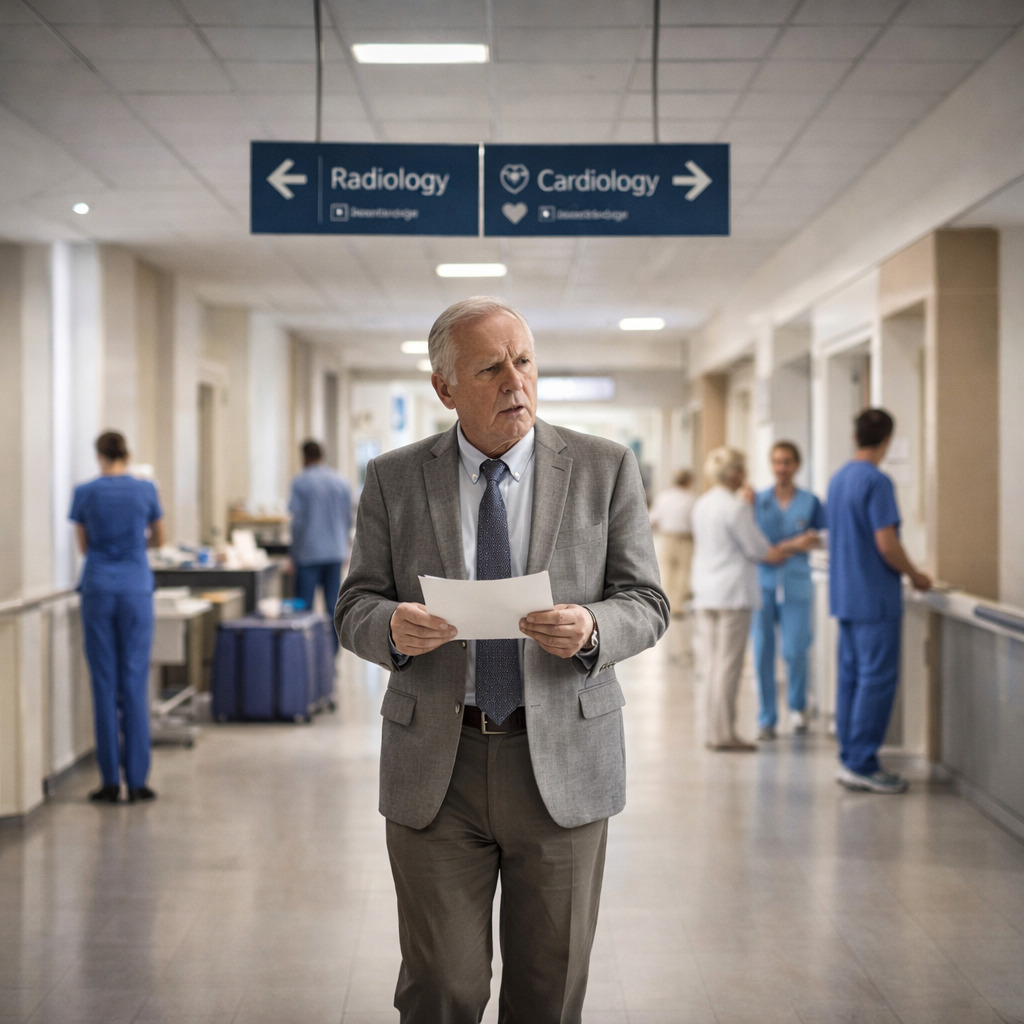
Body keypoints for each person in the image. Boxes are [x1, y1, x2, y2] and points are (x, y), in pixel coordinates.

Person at [335, 296, 669, 1024]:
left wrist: (590, 627)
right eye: (490, 368)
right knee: (441, 988)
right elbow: (353, 606)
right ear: (445, 388)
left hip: (562, 764)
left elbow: (646, 601)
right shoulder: (394, 479)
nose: (515, 381)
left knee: (547, 995)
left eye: (524, 360)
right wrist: (391, 627)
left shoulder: (603, 467)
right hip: (438, 766)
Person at [827, 408, 931, 794]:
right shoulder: (877, 481)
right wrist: (916, 575)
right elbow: (886, 544)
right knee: (876, 682)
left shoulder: (838, 480)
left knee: (852, 679)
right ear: (887, 440)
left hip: (846, 598)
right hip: (875, 599)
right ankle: (862, 763)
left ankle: (849, 758)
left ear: (855, 436)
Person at [691, 446, 817, 752]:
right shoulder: (736, 508)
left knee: (712, 666)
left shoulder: (703, 504)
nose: (746, 476)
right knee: (728, 667)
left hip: (706, 593)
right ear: (734, 473)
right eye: (743, 469)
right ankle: (725, 734)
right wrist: (798, 543)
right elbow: (765, 553)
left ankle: (712, 731)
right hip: (732, 595)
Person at [70, 431, 164, 804]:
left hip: (97, 589)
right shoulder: (146, 491)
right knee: (135, 681)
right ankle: (138, 781)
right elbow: (158, 538)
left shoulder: (85, 493)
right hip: (136, 588)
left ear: (99, 455)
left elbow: (83, 545)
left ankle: (110, 781)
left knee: (104, 685)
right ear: (127, 453)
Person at [752, 441, 826, 740]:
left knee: (795, 650)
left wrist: (782, 547)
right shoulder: (757, 501)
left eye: (787, 462)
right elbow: (754, 544)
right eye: (777, 462)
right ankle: (767, 718)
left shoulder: (811, 502)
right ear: (771, 465)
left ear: (797, 465)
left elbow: (819, 539)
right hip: (763, 584)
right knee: (762, 652)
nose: (781, 468)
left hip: (796, 584)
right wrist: (797, 543)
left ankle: (798, 706)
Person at [288, 439, 352, 643]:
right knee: (334, 607)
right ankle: (330, 657)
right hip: (335, 552)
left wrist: (293, 556)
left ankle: (302, 653)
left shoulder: (301, 482)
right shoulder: (340, 482)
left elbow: (297, 523)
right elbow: (348, 519)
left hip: (309, 553)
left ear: (304, 457)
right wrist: (345, 549)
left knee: (304, 606)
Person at [649, 468, 695, 614]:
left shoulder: (663, 497)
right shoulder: (691, 498)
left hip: (667, 538)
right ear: (689, 481)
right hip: (685, 539)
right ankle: (677, 605)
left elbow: (652, 520)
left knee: (667, 570)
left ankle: (666, 604)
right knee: (683, 571)